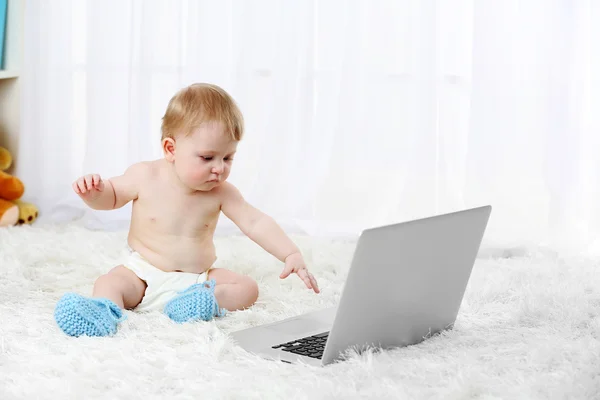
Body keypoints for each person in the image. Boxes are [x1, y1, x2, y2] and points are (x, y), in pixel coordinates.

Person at [54, 83, 320, 337]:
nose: (219, 168)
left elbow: (254, 222)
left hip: (196, 281)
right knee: (109, 282)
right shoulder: (145, 175)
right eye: (207, 158)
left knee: (248, 289)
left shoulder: (222, 193)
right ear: (171, 148)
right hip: (143, 273)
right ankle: (102, 314)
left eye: (228, 158)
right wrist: (94, 193)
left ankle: (198, 305)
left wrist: (290, 253)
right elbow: (111, 197)